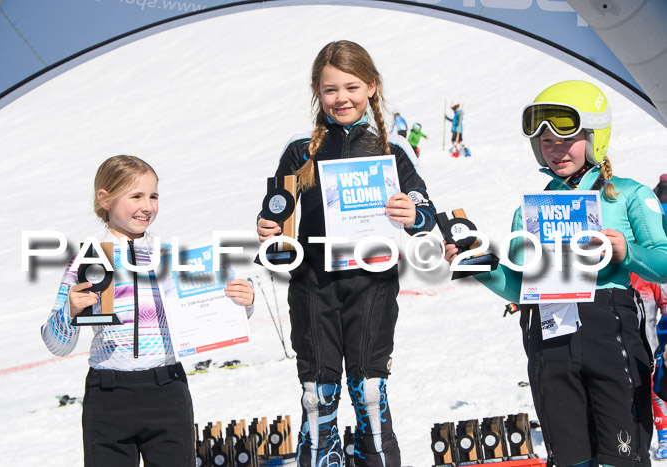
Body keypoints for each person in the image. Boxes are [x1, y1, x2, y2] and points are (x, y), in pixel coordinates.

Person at [444, 80, 667, 466]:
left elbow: (663, 262)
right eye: (546, 142)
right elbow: (520, 288)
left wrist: (625, 252)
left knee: (622, 457)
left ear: (595, 136)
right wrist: (480, 265)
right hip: (549, 338)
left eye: (567, 139)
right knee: (569, 459)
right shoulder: (531, 211)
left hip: (610, 333)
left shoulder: (629, 194)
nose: (556, 150)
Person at [256, 40, 436, 467]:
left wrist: (413, 212)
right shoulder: (301, 153)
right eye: (331, 89)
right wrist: (270, 234)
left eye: (352, 87)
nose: (342, 98)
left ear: (372, 87)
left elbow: (428, 214)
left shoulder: (390, 152)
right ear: (318, 92)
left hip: (371, 286)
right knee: (318, 396)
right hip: (313, 288)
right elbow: (276, 219)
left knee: (370, 390)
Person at [41, 155, 255, 466]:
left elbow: (211, 310)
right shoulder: (87, 263)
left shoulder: (171, 258)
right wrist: (69, 314)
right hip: (108, 395)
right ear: (105, 199)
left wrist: (241, 301)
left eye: (153, 196)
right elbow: (56, 345)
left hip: (166, 390)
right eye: (136, 196)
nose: (147, 206)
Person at [632, 273, 667, 459]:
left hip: (651, 343)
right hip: (621, 342)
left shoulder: (646, 269)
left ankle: (664, 434)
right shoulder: (611, 270)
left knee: (655, 387)